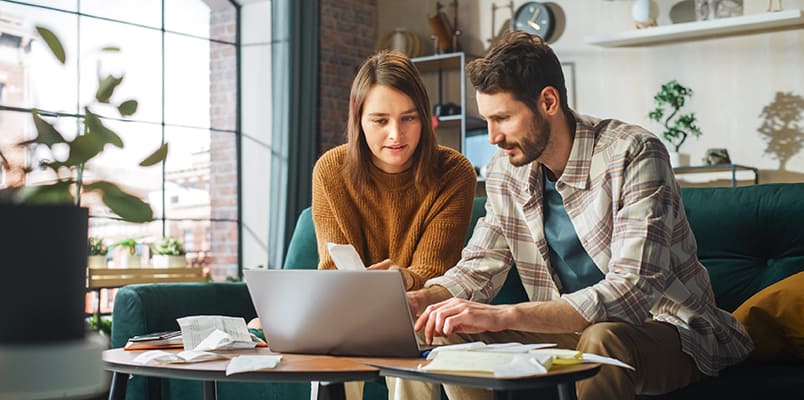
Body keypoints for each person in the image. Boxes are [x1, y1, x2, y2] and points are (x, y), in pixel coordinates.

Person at [397, 31, 753, 400]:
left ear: (548, 101)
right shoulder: (506, 172)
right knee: (438, 327)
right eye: (487, 120)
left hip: (666, 329)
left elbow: (632, 291)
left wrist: (505, 314)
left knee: (603, 338)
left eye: (502, 118)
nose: (492, 137)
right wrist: (423, 299)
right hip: (567, 334)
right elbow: (479, 266)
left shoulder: (633, 153)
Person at [310, 50, 477, 400]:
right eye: (380, 120)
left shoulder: (454, 172)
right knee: (335, 330)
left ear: (425, 118)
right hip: (350, 309)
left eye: (408, 118)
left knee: (411, 328)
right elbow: (333, 268)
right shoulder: (331, 170)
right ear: (358, 120)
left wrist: (403, 279)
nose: (395, 134)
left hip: (419, 307)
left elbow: (436, 269)